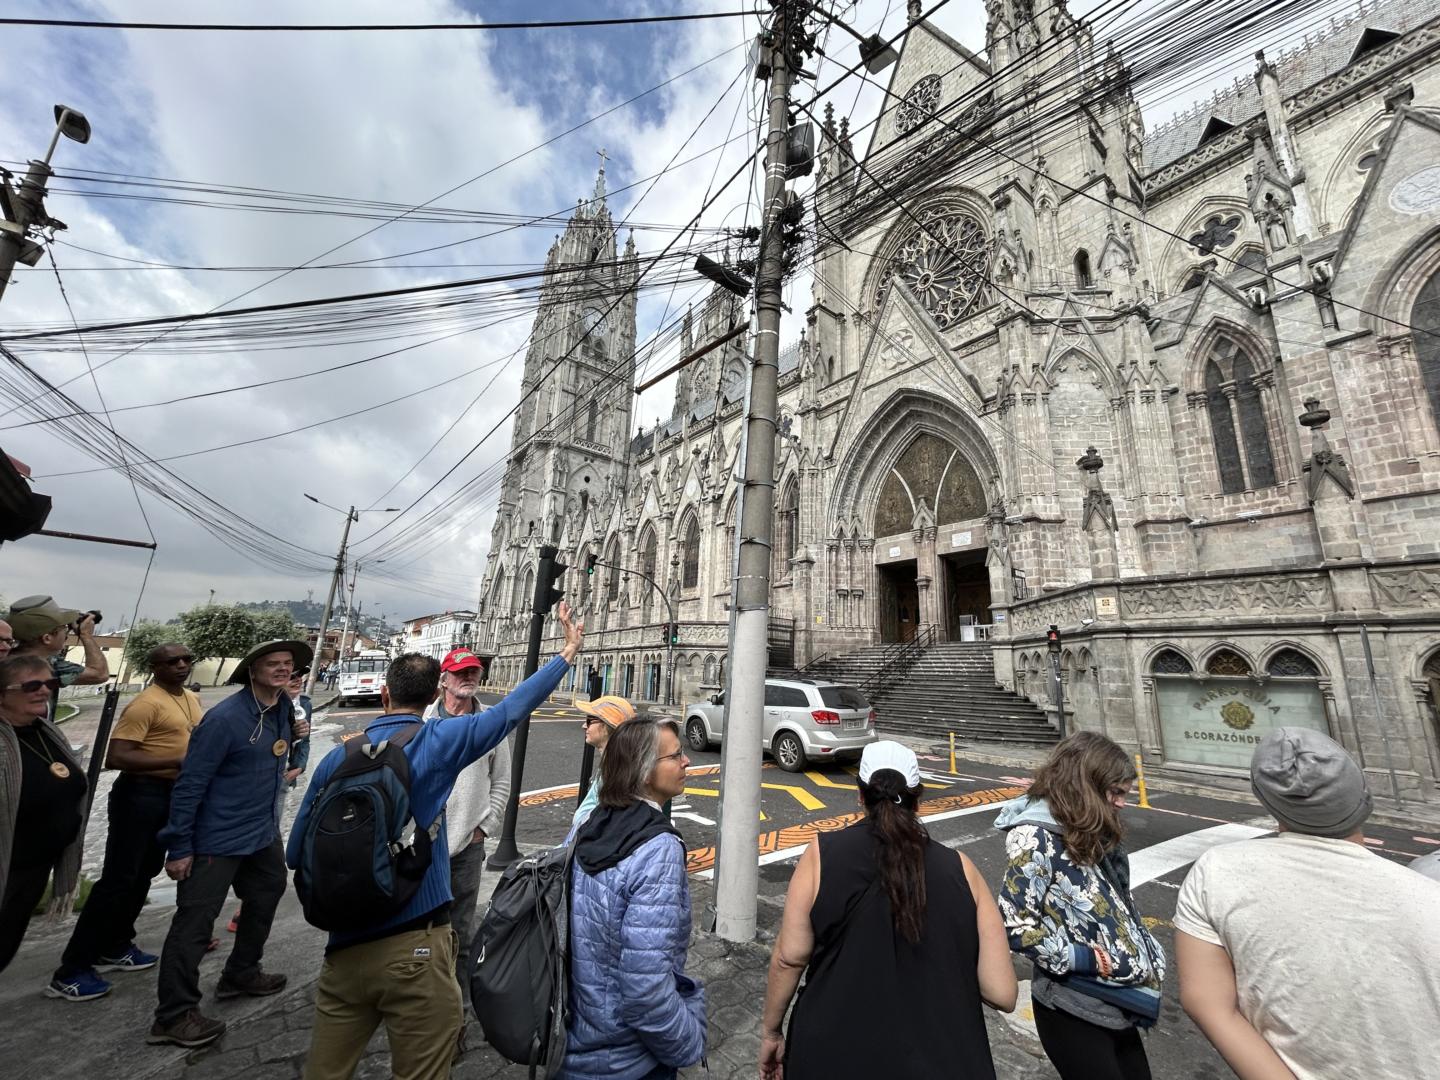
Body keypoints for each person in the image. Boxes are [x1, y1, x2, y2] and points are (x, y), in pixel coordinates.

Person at [291, 602, 583, 1080]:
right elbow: (512, 710)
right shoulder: (439, 741)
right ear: (435, 692)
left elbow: (294, 852)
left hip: (341, 950)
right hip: (412, 943)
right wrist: (567, 651)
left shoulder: (338, 757)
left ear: (383, 695)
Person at [1175, 727, 1440, 1080]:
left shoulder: (1218, 870)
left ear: (1266, 800)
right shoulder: (1427, 890)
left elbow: (1205, 1002)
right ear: (1364, 795)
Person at [760, 741, 1015, 1080]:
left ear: (861, 796)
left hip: (832, 1052)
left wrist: (771, 1031)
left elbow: (789, 957)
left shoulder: (822, 854)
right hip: (945, 1057)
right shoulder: (962, 869)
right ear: (918, 800)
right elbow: (1002, 992)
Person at [148, 638, 312, 1048]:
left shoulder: (280, 711)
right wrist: (180, 845)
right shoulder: (224, 719)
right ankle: (173, 1015)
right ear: (252, 671)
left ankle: (240, 973)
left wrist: (294, 736)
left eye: (287, 664)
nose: (281, 670)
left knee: (268, 891)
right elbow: (190, 785)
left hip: (260, 833)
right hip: (215, 838)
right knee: (194, 922)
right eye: (272, 663)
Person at [995, 731, 1165, 1080]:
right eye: (1115, 792)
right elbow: (1014, 924)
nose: (1120, 802)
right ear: (1084, 784)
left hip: (1119, 1000)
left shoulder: (1092, 826)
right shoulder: (1036, 836)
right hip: (1072, 1002)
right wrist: (1086, 958)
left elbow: (1115, 900)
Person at [48, 643, 202, 1002]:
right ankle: (71, 969)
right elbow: (117, 756)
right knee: (118, 879)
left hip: (168, 796)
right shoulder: (146, 703)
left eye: (185, 660)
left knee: (143, 874)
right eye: (171, 662)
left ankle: (116, 944)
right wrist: (179, 759)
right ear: (154, 667)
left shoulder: (188, 698)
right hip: (140, 795)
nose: (181, 666)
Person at [562, 716, 705, 1080]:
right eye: (676, 756)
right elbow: (645, 989)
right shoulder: (659, 850)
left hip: (570, 1037)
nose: (686, 762)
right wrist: (689, 1041)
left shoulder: (587, 824)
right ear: (644, 772)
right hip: (626, 1058)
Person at [421, 645, 512, 1054]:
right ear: (443, 678)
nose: (469, 677)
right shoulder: (422, 719)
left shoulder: (489, 723)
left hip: (466, 846)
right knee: (419, 931)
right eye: (461, 672)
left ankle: (452, 1019)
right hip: (420, 847)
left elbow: (502, 782)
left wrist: (484, 828)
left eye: (474, 671)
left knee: (459, 932)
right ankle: (418, 1009)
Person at [0, 654, 88, 973]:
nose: (43, 691)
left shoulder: (46, 732)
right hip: (7, 869)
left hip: (34, 869)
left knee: (5, 947)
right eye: (31, 685)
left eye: (49, 683)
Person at [227, 666, 314, 935]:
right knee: (249, 847)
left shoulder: (305, 704)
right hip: (255, 787)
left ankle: (248, 908)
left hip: (283, 780)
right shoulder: (247, 711)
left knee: (270, 841)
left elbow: (304, 740)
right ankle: (241, 903)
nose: (297, 678)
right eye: (292, 675)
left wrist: (299, 765)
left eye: (300, 674)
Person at [7, 596, 108, 719]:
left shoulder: (7, 660)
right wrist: (86, 635)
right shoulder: (47, 667)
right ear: (47, 638)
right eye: (64, 627)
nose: (67, 632)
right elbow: (99, 674)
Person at [570, 695, 638, 834]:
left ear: (607, 725)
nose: (584, 726)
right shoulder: (611, 766)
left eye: (589, 721)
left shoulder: (616, 773)